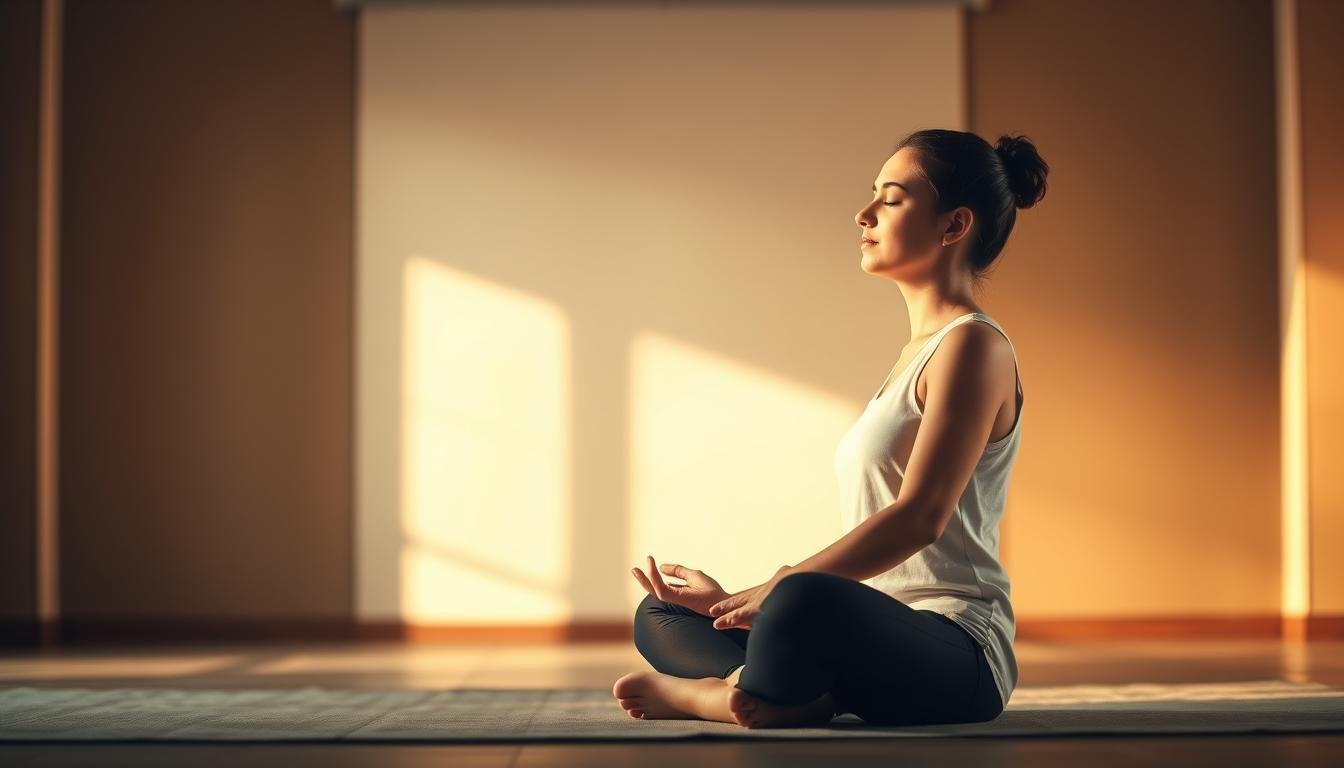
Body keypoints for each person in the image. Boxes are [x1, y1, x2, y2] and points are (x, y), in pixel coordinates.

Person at [612, 128, 1049, 728]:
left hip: (956, 651)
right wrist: (734, 601)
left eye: (890, 199)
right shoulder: (917, 354)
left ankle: (719, 695)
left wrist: (779, 588)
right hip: (862, 629)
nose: (863, 214)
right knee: (662, 614)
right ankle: (776, 693)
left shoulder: (973, 346)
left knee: (802, 597)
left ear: (954, 225)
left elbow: (920, 518)